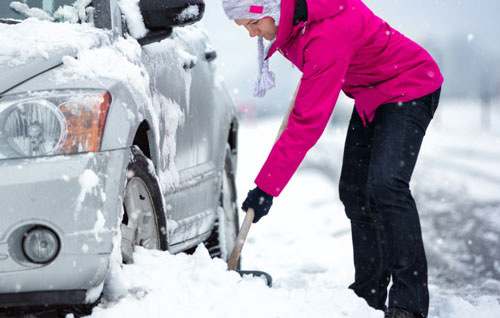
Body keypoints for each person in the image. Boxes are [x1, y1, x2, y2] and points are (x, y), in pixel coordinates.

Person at [222, 0, 443, 317]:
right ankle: (369, 292)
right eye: (245, 28)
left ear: (268, 11)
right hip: (371, 94)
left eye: (251, 24)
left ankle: (409, 300)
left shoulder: (326, 34)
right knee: (355, 190)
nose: (252, 34)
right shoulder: (297, 22)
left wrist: (266, 188)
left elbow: (306, 123)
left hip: (409, 85)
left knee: (386, 185)